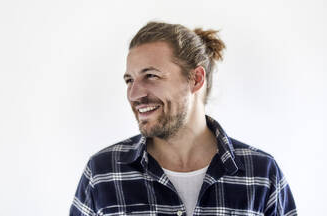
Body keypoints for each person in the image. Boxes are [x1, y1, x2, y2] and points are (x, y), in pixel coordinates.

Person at [69, 22, 297, 216]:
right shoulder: (102, 173)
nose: (134, 94)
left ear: (196, 79)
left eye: (151, 76)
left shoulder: (263, 174)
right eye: (129, 80)